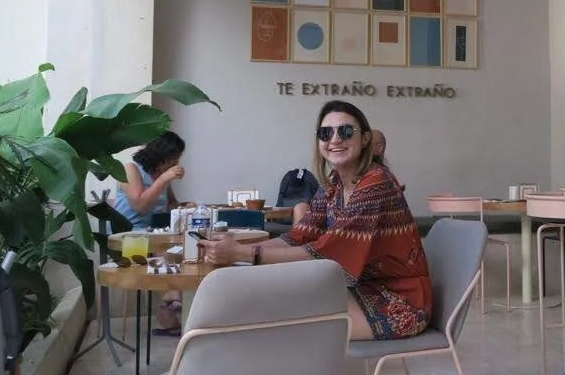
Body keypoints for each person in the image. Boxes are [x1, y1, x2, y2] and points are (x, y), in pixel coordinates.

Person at [200, 101, 431, 340]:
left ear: (365, 139)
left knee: (275, 325)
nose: (335, 139)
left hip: (398, 301)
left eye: (345, 131)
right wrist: (234, 248)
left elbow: (326, 254)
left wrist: (242, 254)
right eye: (325, 133)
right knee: (260, 304)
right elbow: (298, 236)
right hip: (358, 289)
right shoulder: (334, 184)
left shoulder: (376, 183)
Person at [110, 131, 186, 335]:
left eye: (177, 159)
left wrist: (184, 207)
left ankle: (171, 307)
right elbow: (139, 205)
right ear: (159, 155)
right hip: (126, 236)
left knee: (182, 250)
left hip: (153, 234)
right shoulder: (130, 169)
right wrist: (163, 180)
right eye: (172, 159)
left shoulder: (162, 175)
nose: (175, 164)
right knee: (165, 252)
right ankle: (172, 302)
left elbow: (171, 204)